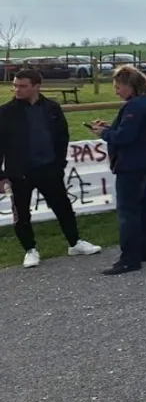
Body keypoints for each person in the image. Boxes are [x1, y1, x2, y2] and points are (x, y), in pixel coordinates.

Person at [0, 68, 101, 268]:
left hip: (49, 168)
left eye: (23, 86)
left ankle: (75, 243)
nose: (17, 90)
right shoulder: (5, 112)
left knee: (63, 207)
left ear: (37, 86)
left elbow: (62, 137)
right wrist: (1, 176)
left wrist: (60, 164)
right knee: (21, 213)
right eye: (15, 85)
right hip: (20, 172)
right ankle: (30, 250)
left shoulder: (52, 108)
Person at [92, 66, 146, 275]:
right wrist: (110, 128)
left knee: (128, 211)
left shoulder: (135, 106)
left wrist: (104, 134)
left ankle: (129, 258)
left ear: (130, 86)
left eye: (119, 87)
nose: (116, 91)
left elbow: (125, 137)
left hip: (133, 164)